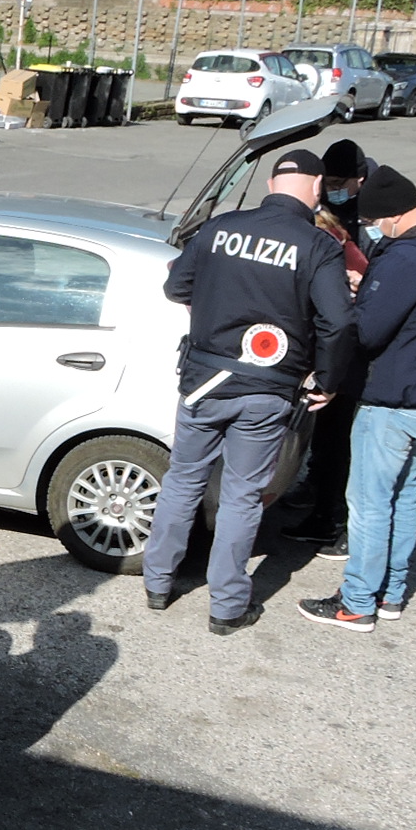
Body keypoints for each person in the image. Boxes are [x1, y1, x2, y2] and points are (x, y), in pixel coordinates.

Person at [140, 148, 356, 633]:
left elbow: (176, 289)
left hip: (203, 383)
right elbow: (339, 321)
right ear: (318, 188)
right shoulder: (318, 245)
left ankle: (158, 582)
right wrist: (328, 379)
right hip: (268, 390)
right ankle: (227, 606)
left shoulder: (217, 229)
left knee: (183, 479)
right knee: (241, 496)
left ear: (271, 184)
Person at [298, 167, 416, 633]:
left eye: (379, 222)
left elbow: (369, 330)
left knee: (369, 505)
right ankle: (391, 593)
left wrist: (356, 305)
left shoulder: (407, 258)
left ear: (396, 215)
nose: (377, 229)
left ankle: (356, 602)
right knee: (404, 497)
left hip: (392, 400)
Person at [289, 139, 377, 552]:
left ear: (359, 178)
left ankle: (331, 520)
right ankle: (317, 495)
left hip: (346, 348)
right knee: (327, 437)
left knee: (337, 437)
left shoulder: (345, 224)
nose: (335, 190)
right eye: (331, 183)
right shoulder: (335, 221)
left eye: (342, 183)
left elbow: (343, 305)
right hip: (340, 343)